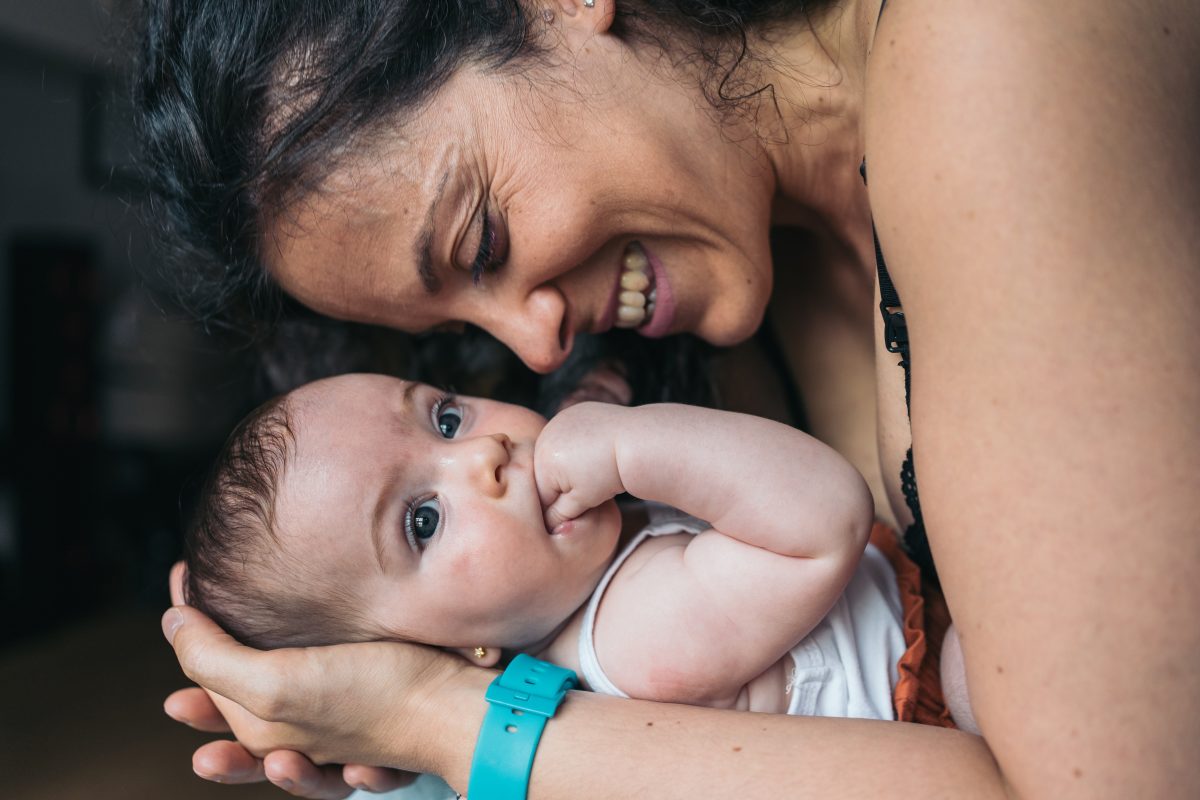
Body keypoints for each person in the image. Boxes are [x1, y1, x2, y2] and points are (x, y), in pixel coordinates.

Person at [140, 0, 1200, 798]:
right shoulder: (687, 356)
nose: (537, 343)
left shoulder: (989, 48)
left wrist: (439, 719)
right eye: (461, 335)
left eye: (484, 241)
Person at [184, 372, 959, 729]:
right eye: (422, 521)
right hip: (933, 709)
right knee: (976, 669)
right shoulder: (633, 637)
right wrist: (628, 445)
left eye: (446, 419)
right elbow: (824, 518)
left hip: (914, 603)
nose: (483, 454)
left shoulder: (575, 579)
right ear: (455, 651)